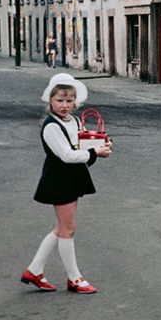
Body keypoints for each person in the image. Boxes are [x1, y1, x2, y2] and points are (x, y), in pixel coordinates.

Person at [20, 73, 113, 294]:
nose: (64, 105)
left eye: (69, 100)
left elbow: (79, 144)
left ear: (76, 102)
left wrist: (101, 143)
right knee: (67, 230)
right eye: (59, 100)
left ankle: (34, 270)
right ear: (50, 100)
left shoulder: (74, 120)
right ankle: (74, 278)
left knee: (62, 228)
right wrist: (94, 152)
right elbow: (67, 155)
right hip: (58, 179)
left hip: (70, 178)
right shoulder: (51, 126)